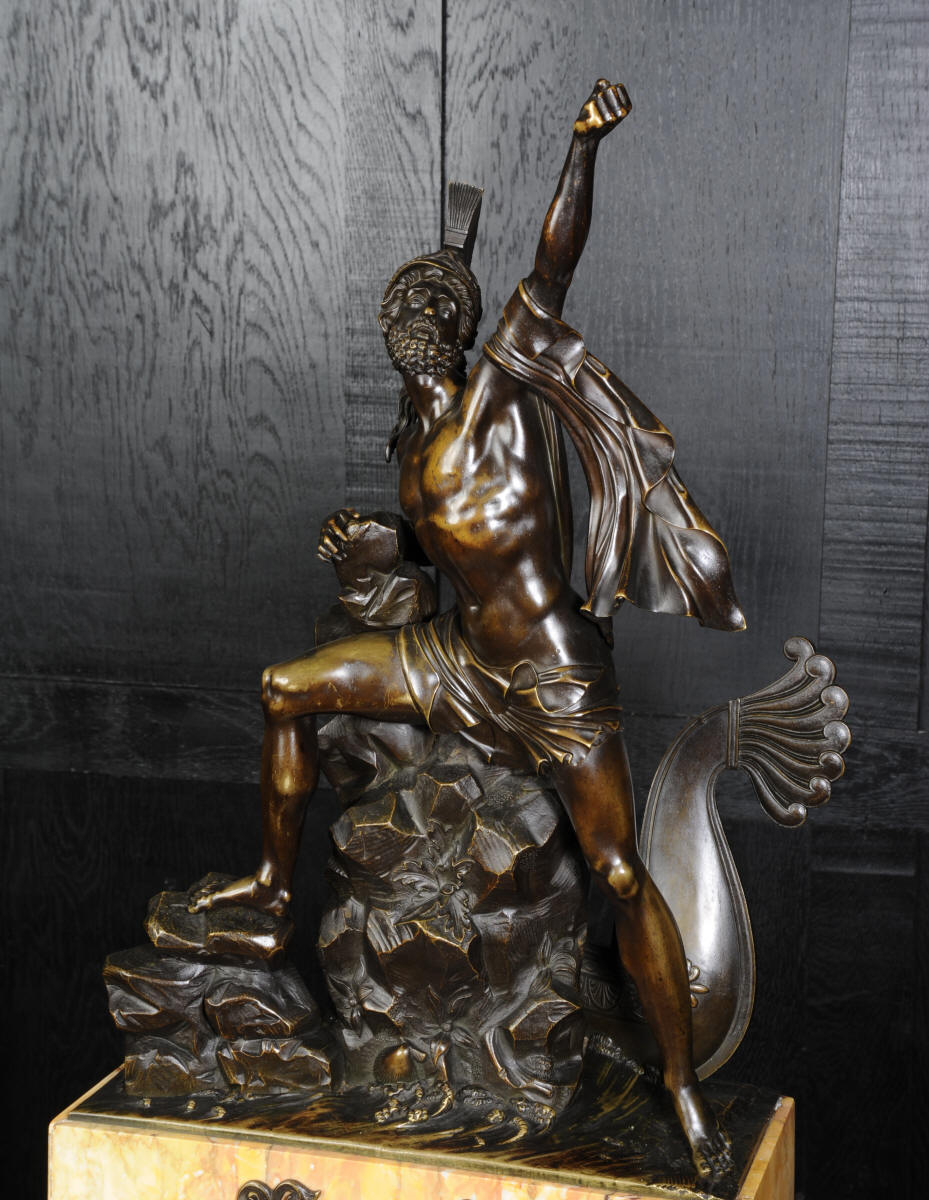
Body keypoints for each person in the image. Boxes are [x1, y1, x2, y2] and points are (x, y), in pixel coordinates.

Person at [191, 79, 743, 1176]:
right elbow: (440, 547)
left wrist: (582, 148)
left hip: (546, 672)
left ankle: (682, 1092)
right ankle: (270, 887)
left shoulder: (496, 397)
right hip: (454, 660)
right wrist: (373, 539)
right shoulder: (411, 446)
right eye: (401, 309)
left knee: (617, 873)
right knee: (285, 687)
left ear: (454, 328)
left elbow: (552, 263)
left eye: (431, 308)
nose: (413, 323)